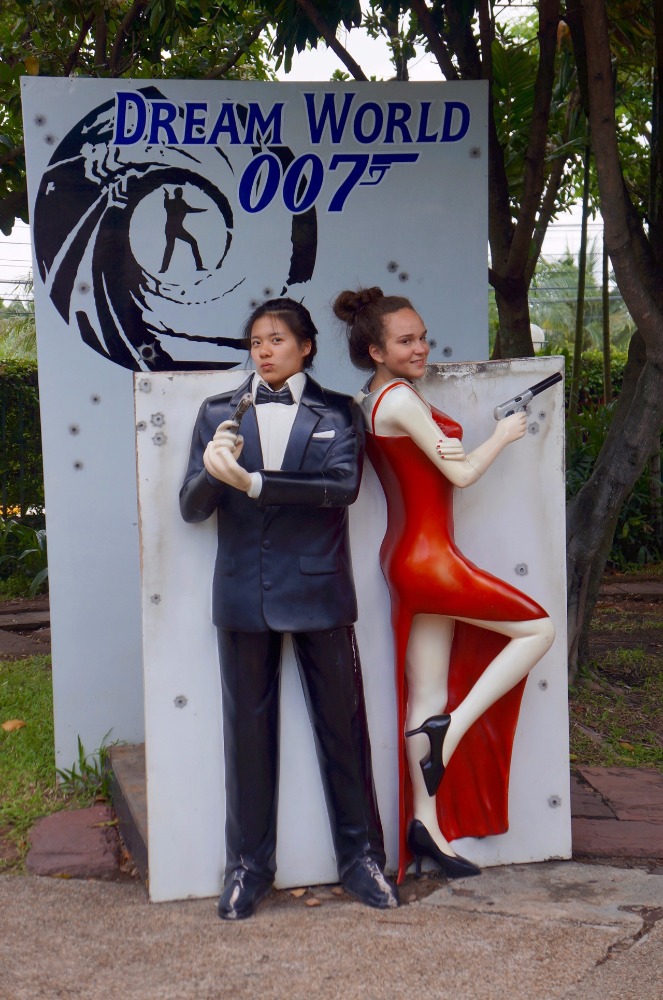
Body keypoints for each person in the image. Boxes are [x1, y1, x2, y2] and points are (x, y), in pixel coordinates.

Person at [180, 297, 399, 919]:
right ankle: (248, 868)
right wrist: (213, 472)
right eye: (256, 342)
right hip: (243, 593)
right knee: (246, 737)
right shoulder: (218, 412)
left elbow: (342, 487)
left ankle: (361, 861)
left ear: (306, 346)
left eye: (276, 339)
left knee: (345, 731)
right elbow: (191, 508)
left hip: (319, 590)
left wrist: (254, 483)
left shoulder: (340, 410)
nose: (264, 350)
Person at [333, 287, 556, 884]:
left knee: (427, 692)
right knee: (538, 628)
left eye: (423, 337)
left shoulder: (374, 397)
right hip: (430, 560)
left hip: (406, 556)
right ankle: (451, 730)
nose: (421, 348)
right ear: (376, 350)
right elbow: (459, 474)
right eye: (406, 341)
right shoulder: (401, 400)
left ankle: (425, 825)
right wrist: (503, 434)